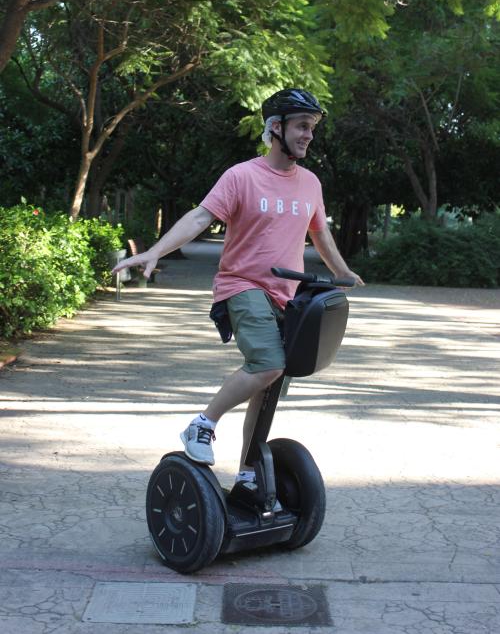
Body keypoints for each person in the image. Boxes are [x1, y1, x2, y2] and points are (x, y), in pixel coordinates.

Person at [112, 88, 363, 487]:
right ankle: (202, 424)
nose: (308, 136)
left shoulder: (310, 184)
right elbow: (199, 218)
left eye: (312, 128)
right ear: (275, 128)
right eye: (301, 126)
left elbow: (321, 237)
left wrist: (343, 272)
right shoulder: (241, 177)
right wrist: (154, 252)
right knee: (268, 364)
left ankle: (248, 471)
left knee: (268, 386)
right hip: (242, 285)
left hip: (288, 294)